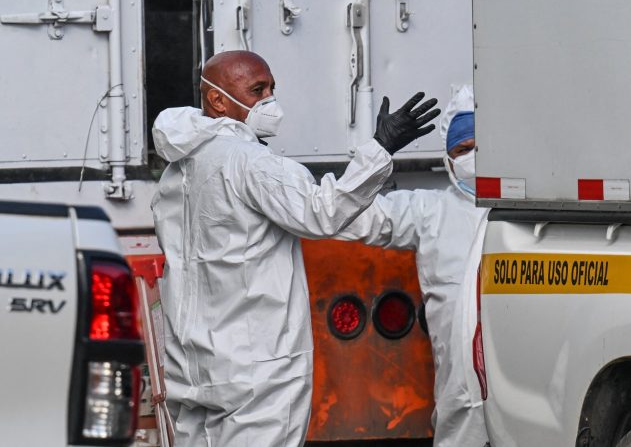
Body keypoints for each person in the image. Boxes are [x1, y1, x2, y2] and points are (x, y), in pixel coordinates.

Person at [151, 50, 439, 447]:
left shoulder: (178, 169)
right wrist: (381, 147)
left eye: (271, 88)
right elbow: (322, 212)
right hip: (259, 368)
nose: (270, 100)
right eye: (257, 90)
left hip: (194, 367)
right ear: (217, 99)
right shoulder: (251, 162)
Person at [339, 85, 490, 447]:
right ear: (449, 158)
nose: (471, 158)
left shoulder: (525, 211)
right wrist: (375, 154)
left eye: (479, 149)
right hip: (460, 381)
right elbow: (346, 215)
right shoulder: (428, 211)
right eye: (462, 150)